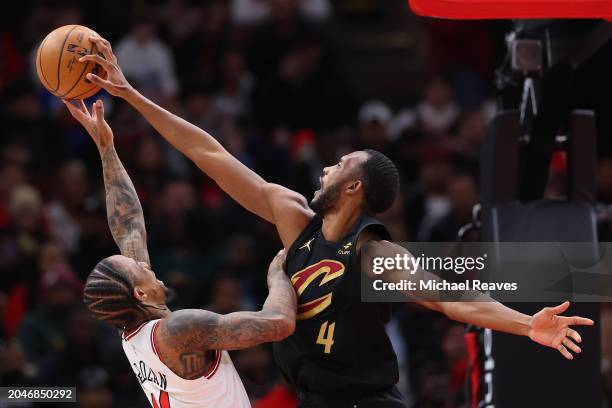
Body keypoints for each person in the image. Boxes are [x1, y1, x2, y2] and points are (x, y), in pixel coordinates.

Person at [80, 36, 595, 408]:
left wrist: (529, 324)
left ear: (355, 188)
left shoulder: (375, 256)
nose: (327, 166)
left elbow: (455, 300)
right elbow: (208, 153)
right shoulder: (291, 218)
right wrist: (129, 95)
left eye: (340, 164)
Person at [63, 98, 296, 408]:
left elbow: (129, 227)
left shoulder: (132, 329)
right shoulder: (180, 329)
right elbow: (278, 323)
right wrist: (278, 274)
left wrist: (106, 148)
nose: (144, 265)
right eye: (138, 269)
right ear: (141, 294)